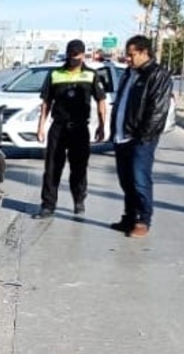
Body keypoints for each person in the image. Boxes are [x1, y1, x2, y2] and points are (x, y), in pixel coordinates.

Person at [108, 34, 173, 237]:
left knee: (139, 179)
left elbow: (157, 111)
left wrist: (143, 137)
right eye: (126, 55)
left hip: (141, 139)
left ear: (144, 52)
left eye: (131, 54)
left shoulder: (157, 75)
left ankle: (143, 220)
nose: (128, 58)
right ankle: (129, 217)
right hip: (122, 136)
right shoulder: (129, 73)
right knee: (126, 180)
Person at [35, 39, 107, 218]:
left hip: (80, 128)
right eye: (71, 55)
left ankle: (79, 200)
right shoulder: (55, 74)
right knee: (52, 168)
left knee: (79, 168)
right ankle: (48, 205)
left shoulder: (91, 75)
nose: (74, 59)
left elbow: (101, 101)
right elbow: (46, 103)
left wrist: (102, 126)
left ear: (83, 55)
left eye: (77, 56)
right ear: (67, 54)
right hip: (58, 128)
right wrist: (41, 127)